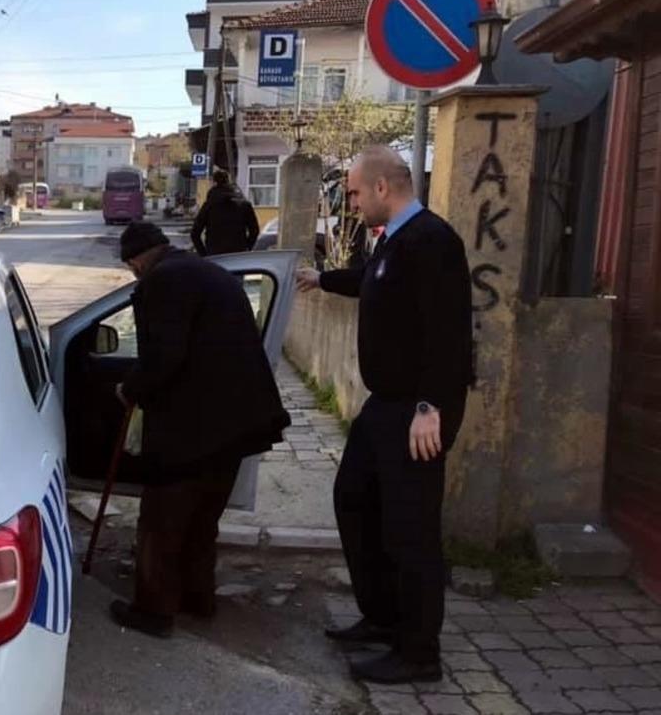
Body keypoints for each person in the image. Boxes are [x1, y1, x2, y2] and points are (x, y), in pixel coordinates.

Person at [295, 146, 472, 684]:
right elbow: (372, 283)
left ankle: (419, 654)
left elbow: (449, 334)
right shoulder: (393, 241)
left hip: (417, 410)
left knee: (410, 531)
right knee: (354, 500)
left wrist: (429, 407)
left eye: (352, 191)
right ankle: (383, 617)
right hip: (385, 407)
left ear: (380, 188)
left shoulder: (432, 241)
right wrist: (320, 279)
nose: (349, 201)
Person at [110, 222, 290, 638]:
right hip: (237, 422)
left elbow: (165, 355)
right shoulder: (203, 270)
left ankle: (153, 612)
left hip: (194, 428)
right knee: (202, 519)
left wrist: (131, 388)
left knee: (161, 520)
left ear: (136, 261)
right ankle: (197, 599)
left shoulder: (163, 281)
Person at [190, 168, 260, 256]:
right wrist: (247, 248)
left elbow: (195, 233)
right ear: (228, 181)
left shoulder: (209, 206)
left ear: (214, 183)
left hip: (215, 255)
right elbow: (254, 230)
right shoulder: (244, 205)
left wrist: (204, 254)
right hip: (238, 254)